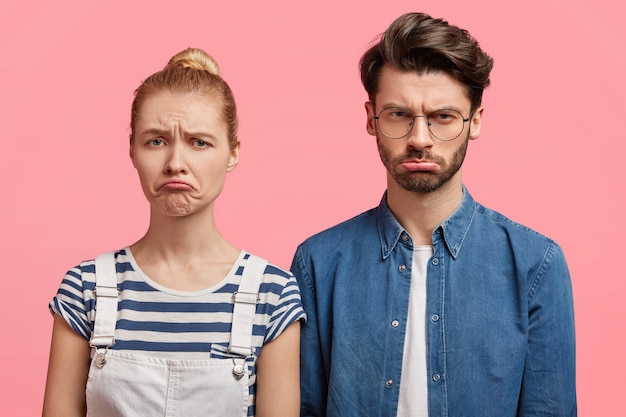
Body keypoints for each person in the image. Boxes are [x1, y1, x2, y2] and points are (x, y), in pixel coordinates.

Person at [291, 12, 576, 417]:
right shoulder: (318, 264)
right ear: (371, 119)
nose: (420, 139)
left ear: (474, 121)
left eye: (442, 117)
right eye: (399, 115)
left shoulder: (535, 266)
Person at [42, 48, 305, 417]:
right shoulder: (85, 288)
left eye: (199, 142)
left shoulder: (271, 294)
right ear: (132, 150)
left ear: (233, 152)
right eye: (156, 141)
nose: (175, 164)